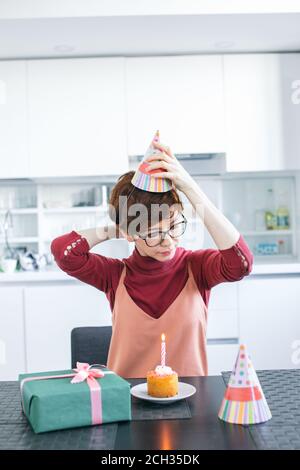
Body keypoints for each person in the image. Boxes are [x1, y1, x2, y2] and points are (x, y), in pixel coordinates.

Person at [51, 140, 253, 378]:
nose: (167, 240)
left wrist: (190, 188)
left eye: (174, 225)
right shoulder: (115, 275)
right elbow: (64, 252)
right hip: (127, 403)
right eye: (153, 232)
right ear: (131, 233)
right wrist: (119, 228)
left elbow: (241, 263)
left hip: (191, 400)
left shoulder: (197, 268)